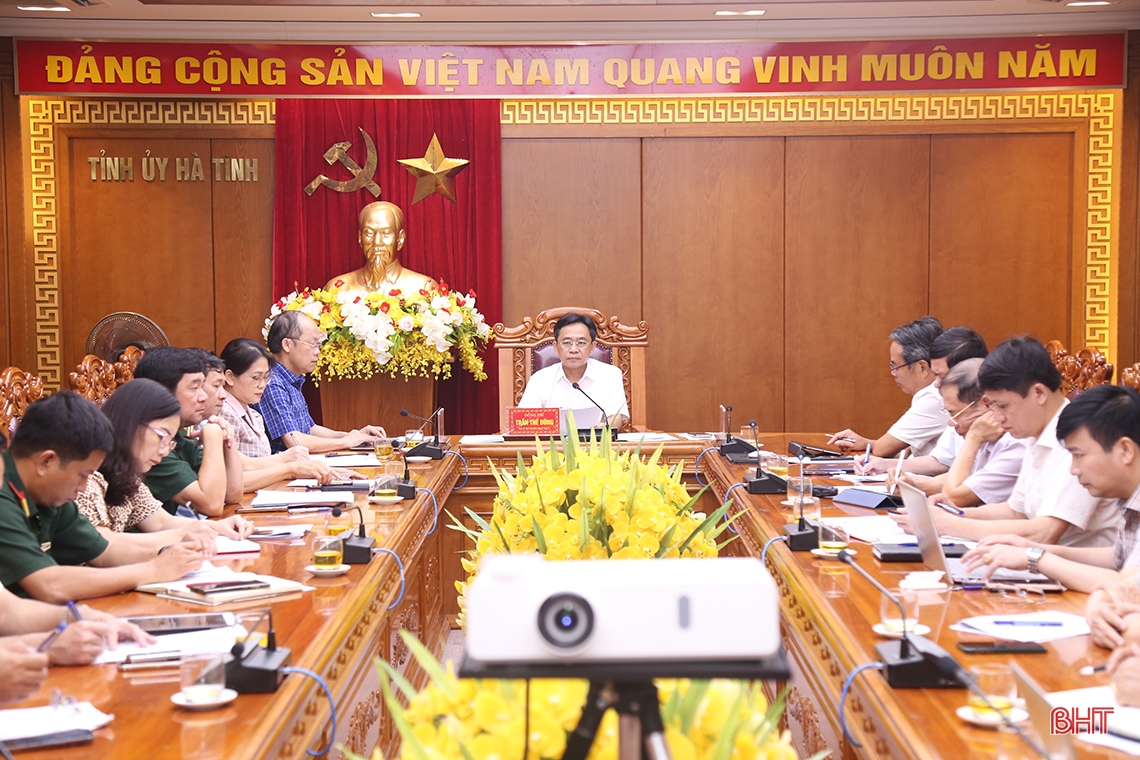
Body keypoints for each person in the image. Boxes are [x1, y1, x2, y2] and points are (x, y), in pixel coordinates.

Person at [892, 337, 1119, 547]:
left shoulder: (1078, 441)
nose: (997, 417)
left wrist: (949, 525)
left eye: (1003, 406)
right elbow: (1016, 511)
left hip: (1075, 579)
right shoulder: (1036, 431)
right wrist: (950, 513)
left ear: (1039, 393)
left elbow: (1045, 532)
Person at [0, 392, 207, 603]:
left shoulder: (49, 493)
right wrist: (153, 570)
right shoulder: (5, 497)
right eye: (83, 475)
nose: (82, 487)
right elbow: (48, 584)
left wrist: (169, 554)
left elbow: (104, 552)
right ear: (46, 462)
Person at [958, 385, 1140, 594]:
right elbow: (1119, 556)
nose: (1073, 469)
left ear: (1125, 450)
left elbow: (1127, 587)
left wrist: (1034, 558)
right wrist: (1032, 549)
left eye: (1079, 455)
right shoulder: (1129, 498)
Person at [77, 379, 254, 551]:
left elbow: (161, 522)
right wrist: (187, 534)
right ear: (130, 423)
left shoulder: (126, 475)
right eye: (162, 436)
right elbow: (105, 544)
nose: (164, 451)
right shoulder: (86, 479)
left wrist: (219, 527)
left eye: (170, 442)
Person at [218, 338, 354, 488]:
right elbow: (237, 474)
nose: (262, 385)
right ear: (229, 377)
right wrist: (287, 464)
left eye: (266, 377)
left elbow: (262, 463)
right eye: (256, 378)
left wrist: (324, 470)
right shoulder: (224, 413)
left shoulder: (254, 415)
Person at [856, 327, 990, 477]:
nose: (936, 384)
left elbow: (967, 488)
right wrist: (884, 465)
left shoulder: (1006, 427)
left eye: (942, 376)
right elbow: (940, 461)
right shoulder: (959, 413)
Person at [890, 359, 1026, 507]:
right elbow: (970, 479)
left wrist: (973, 438)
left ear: (986, 404)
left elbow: (954, 496)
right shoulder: (985, 433)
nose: (950, 422)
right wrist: (914, 486)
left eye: (953, 413)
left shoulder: (1014, 442)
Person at [256, 311, 386, 453]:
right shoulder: (272, 382)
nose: (317, 351)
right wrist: (346, 441)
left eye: (318, 344)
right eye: (312, 344)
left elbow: (310, 429)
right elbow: (296, 441)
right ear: (287, 345)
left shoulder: (291, 378)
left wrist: (355, 435)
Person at [135, 348, 244, 516]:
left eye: (202, 387)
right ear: (163, 392)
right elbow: (212, 505)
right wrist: (214, 437)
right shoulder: (148, 444)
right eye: (194, 388)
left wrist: (227, 439)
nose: (204, 397)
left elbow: (233, 493)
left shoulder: (178, 438)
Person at [829, 316, 946, 457]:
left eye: (896, 366)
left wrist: (871, 445)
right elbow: (904, 453)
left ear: (922, 367)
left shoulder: (934, 396)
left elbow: (882, 449)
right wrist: (867, 443)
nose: (893, 373)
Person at [517, 312, 629, 429]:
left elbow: (615, 419)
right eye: (566, 343)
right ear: (555, 347)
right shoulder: (539, 379)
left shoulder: (610, 375)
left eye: (581, 343)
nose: (574, 349)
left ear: (592, 347)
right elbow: (525, 422)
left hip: (596, 444)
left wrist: (601, 429)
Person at [324, 201, 438, 293]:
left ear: (400, 239)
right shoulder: (337, 288)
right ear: (360, 239)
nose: (377, 242)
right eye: (369, 233)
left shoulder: (424, 288)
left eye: (386, 233)